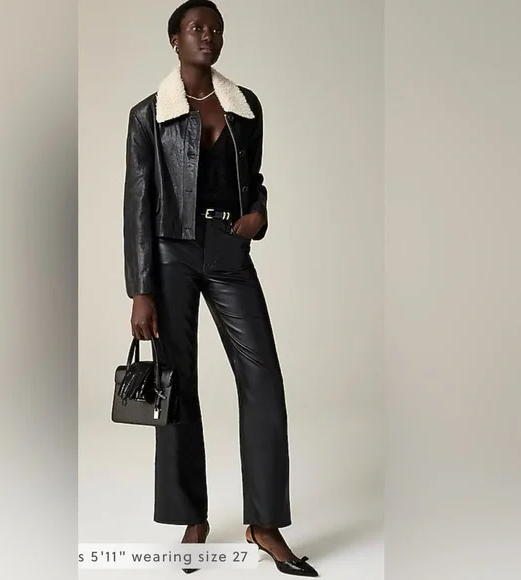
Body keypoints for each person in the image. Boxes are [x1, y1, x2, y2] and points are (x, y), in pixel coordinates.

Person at [122, 1, 319, 576]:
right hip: (170, 254)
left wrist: (259, 212)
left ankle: (265, 523)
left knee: (263, 379)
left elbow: (254, 179)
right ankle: (193, 516)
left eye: (215, 28)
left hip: (228, 248)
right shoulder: (147, 115)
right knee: (177, 384)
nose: (206, 35)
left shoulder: (245, 105)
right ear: (174, 39)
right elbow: (137, 203)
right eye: (195, 28)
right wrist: (140, 290)